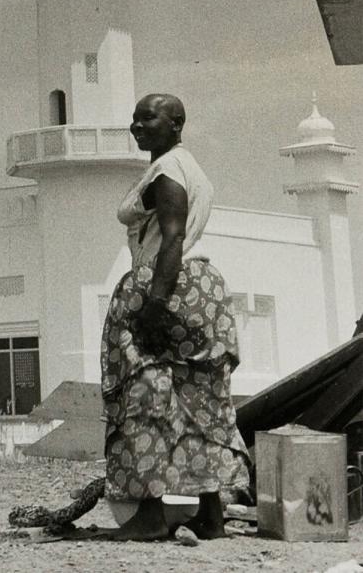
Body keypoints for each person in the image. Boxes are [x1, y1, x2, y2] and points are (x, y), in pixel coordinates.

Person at [100, 93, 250, 541]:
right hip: (203, 285)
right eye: (134, 118)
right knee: (199, 395)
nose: (137, 126)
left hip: (165, 280)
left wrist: (155, 303)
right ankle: (211, 515)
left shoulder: (166, 171)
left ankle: (149, 512)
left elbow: (173, 235)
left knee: (144, 389)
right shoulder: (191, 167)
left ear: (177, 123)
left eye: (148, 117)